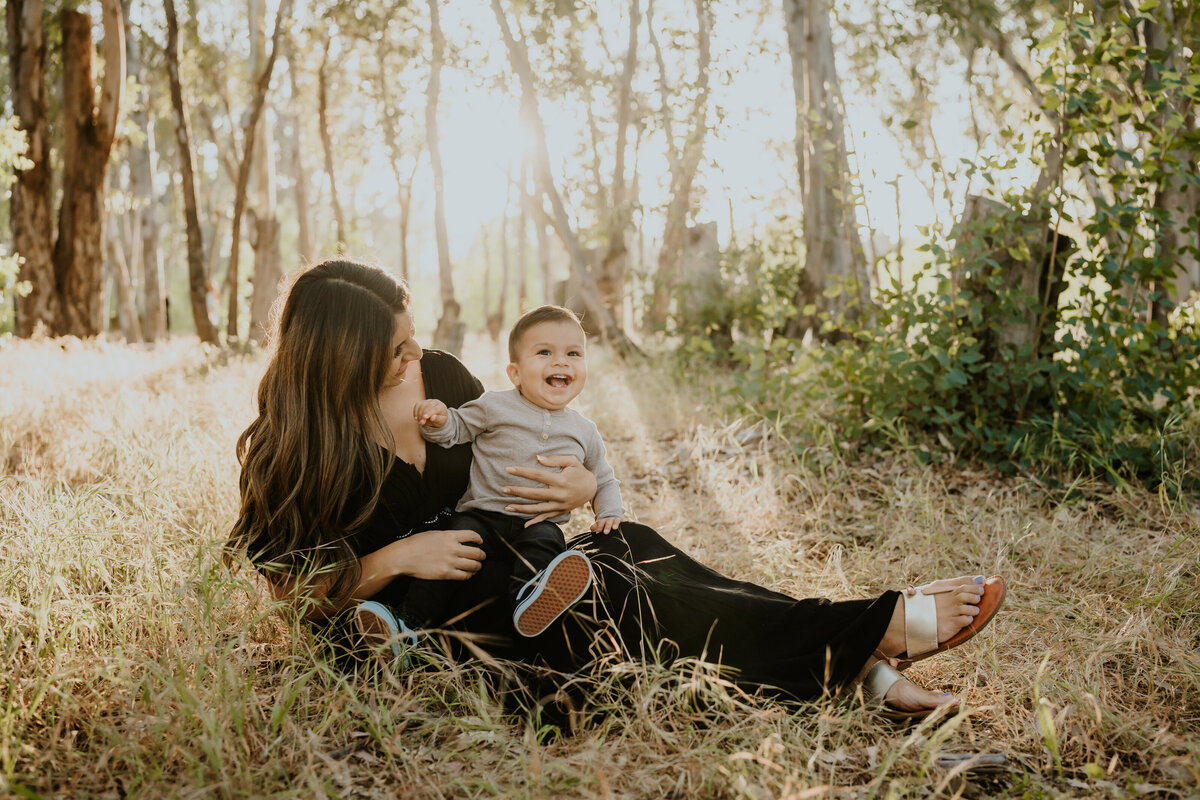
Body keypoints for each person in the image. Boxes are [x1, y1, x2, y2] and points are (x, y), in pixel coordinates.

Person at [226, 258, 1006, 721]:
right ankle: (870, 639)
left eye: (411, 334)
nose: (415, 356)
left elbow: (523, 443)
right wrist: (403, 554)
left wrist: (570, 488)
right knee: (608, 593)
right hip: (424, 634)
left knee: (620, 546)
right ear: (336, 359)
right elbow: (294, 594)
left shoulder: (443, 379)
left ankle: (853, 651)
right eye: (395, 350)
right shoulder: (293, 449)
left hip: (523, 578)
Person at [406, 305, 623, 640]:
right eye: (545, 352)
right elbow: (458, 428)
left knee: (547, 545)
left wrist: (609, 511)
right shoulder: (495, 405)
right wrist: (438, 420)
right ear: (515, 373)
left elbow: (603, 478)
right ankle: (407, 623)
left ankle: (531, 602)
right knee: (453, 553)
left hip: (537, 523)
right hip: (480, 515)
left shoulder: (584, 430)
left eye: (574, 353)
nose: (561, 361)